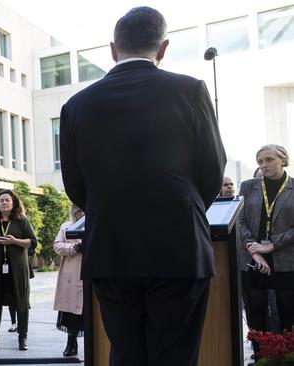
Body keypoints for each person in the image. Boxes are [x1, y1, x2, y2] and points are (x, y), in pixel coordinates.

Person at [59, 7, 226, 366]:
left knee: (126, 352)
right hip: (179, 247)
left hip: (111, 249)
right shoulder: (190, 90)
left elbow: (75, 185)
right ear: (163, 48)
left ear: (113, 49)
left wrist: (111, 209)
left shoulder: (76, 105)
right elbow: (212, 171)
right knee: (176, 355)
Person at [239, 144, 294, 358]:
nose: (263, 165)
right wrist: (255, 250)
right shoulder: (248, 186)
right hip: (254, 259)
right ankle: (260, 357)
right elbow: (240, 221)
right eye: (260, 161)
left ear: (283, 160)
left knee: (288, 312)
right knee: (256, 313)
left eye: (269, 160)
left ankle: (287, 357)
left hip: (285, 259)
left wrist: (272, 244)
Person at [0, 189, 37, 351]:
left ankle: (22, 337)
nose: (4, 203)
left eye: (7, 200)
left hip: (17, 270)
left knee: (21, 302)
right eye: (1, 200)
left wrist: (15, 241)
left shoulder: (21, 220)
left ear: (13, 203)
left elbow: (32, 242)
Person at [53, 204, 85, 358]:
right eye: (77, 211)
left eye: (83, 211)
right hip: (72, 274)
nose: (80, 214)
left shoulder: (96, 224)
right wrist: (73, 247)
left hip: (90, 272)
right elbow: (57, 245)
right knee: (72, 311)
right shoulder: (66, 226)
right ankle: (71, 343)